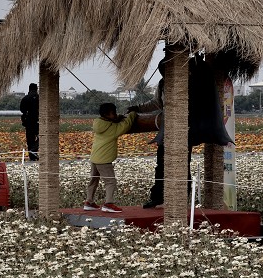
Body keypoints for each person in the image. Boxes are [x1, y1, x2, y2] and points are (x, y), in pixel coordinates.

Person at [130, 55, 233, 208]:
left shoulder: (188, 83)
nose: (165, 72)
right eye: (163, 70)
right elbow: (156, 103)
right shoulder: (162, 83)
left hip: (184, 129)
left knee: (182, 163)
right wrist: (137, 109)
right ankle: (158, 197)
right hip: (168, 130)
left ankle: (181, 197)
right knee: (161, 164)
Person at [83, 102, 138, 213]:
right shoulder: (112, 128)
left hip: (95, 157)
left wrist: (117, 118)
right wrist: (132, 114)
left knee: (93, 180)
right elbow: (125, 125)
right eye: (114, 113)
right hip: (104, 159)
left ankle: (89, 202)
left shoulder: (99, 123)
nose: (116, 115)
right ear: (110, 114)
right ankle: (108, 204)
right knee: (110, 182)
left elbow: (112, 122)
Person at [20, 82, 39, 161]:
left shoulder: (25, 98)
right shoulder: (40, 98)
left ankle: (32, 155)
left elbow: (22, 110)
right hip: (39, 121)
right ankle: (34, 149)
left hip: (28, 122)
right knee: (42, 136)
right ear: (36, 89)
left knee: (30, 139)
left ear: (29, 89)